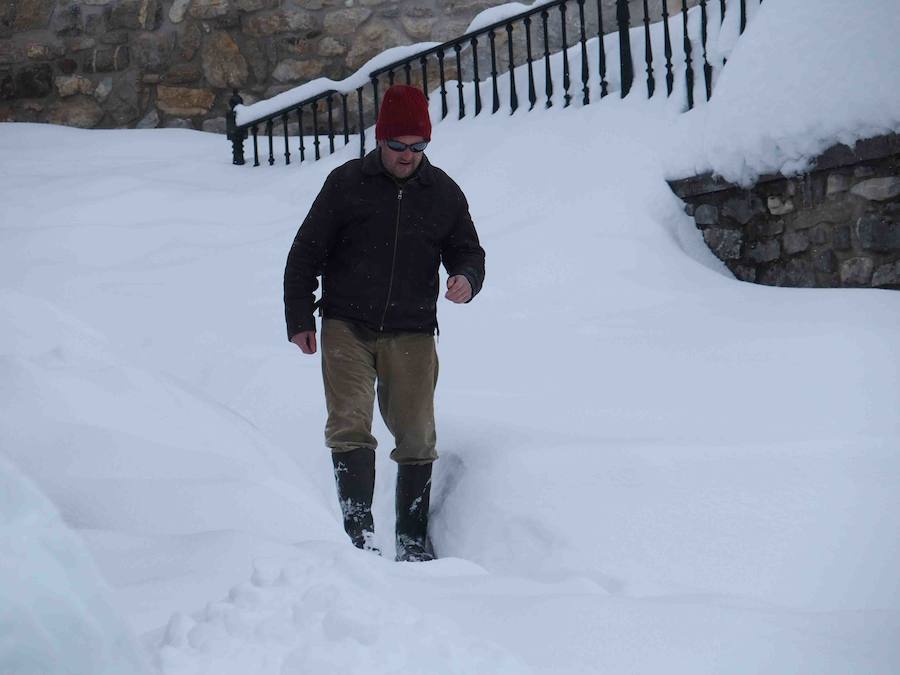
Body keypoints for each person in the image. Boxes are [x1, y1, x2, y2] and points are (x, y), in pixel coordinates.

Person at [284, 84, 486, 562]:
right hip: (345, 324)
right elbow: (305, 253)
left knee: (417, 435)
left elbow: (468, 250)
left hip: (413, 329)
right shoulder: (346, 184)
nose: (408, 155)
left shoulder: (443, 193)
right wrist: (298, 317)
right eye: (399, 145)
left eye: (419, 146)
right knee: (350, 424)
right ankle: (361, 539)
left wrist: (466, 278)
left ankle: (412, 544)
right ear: (380, 140)